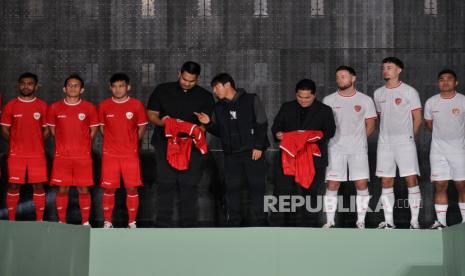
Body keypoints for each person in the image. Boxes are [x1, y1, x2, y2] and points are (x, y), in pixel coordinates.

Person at [194, 73, 269, 226]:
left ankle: (262, 222)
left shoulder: (251, 99)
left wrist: (259, 146)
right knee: (231, 189)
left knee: (257, 187)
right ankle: (233, 222)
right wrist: (208, 124)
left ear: (227, 85)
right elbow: (220, 132)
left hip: (252, 152)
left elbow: (262, 123)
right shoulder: (218, 107)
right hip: (231, 155)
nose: (214, 91)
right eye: (213, 88)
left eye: (216, 87)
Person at [146, 61, 215, 227]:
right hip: (165, 143)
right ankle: (162, 224)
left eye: (192, 81)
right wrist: (166, 123)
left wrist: (196, 127)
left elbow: (204, 126)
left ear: (197, 79)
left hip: (192, 146)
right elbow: (152, 114)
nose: (187, 83)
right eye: (185, 79)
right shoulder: (162, 90)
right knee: (166, 183)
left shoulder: (205, 96)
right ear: (179, 74)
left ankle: (189, 225)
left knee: (189, 184)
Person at [271, 78, 336, 226]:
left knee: (311, 193)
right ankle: (277, 226)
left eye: (307, 97)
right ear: (296, 94)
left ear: (314, 95)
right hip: (289, 157)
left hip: (313, 159)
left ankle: (310, 227)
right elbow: (275, 128)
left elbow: (330, 132)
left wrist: (308, 137)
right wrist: (278, 134)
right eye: (300, 96)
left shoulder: (325, 110)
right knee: (282, 192)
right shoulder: (286, 107)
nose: (303, 100)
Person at [322, 66, 377, 229]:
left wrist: (358, 140)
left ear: (353, 79)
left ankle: (361, 221)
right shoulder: (329, 100)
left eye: (343, 76)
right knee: (332, 184)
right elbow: (325, 126)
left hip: (357, 149)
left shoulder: (365, 100)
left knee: (361, 184)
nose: (340, 79)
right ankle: (330, 221)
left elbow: (371, 124)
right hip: (335, 148)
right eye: (338, 77)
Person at [374, 57, 423, 229]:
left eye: (389, 67)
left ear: (399, 70)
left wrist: (410, 138)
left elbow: (418, 118)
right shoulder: (378, 93)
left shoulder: (410, 91)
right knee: (386, 182)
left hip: (405, 144)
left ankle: (414, 222)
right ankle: (389, 222)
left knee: (411, 180)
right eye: (384, 68)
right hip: (385, 144)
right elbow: (381, 117)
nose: (385, 70)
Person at [47, 74, 99, 226]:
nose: (73, 88)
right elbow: (52, 130)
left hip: (82, 157)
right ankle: (62, 221)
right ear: (64, 88)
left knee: (83, 189)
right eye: (70, 85)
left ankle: (85, 222)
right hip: (62, 156)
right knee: (62, 189)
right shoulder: (55, 107)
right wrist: (63, 146)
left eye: (76, 85)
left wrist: (83, 147)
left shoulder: (89, 107)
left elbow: (93, 131)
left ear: (82, 89)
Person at [98, 73, 148, 229]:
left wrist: (132, 143)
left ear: (128, 87)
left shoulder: (136, 105)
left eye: (121, 86)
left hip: (129, 154)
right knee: (109, 188)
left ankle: (132, 222)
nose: (118, 89)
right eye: (115, 86)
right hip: (110, 154)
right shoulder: (104, 105)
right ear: (110, 88)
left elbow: (142, 127)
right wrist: (113, 142)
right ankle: (108, 222)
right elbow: (102, 127)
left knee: (131, 187)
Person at [1, 72, 48, 221]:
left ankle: (39, 220)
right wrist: (16, 143)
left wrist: (38, 142)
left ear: (36, 86)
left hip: (37, 155)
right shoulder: (11, 105)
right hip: (17, 155)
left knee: (38, 186)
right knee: (14, 186)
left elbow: (47, 129)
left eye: (30, 83)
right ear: (18, 85)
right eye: (23, 83)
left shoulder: (42, 106)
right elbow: (4, 129)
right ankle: (12, 220)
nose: (26, 86)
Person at [424, 69, 465, 229]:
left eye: (449, 79)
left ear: (456, 83)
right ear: (438, 83)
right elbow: (429, 124)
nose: (445, 82)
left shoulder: (462, 101)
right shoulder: (431, 102)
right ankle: (441, 222)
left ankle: (464, 222)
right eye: (442, 79)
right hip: (438, 152)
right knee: (440, 185)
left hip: (459, 151)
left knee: (462, 185)